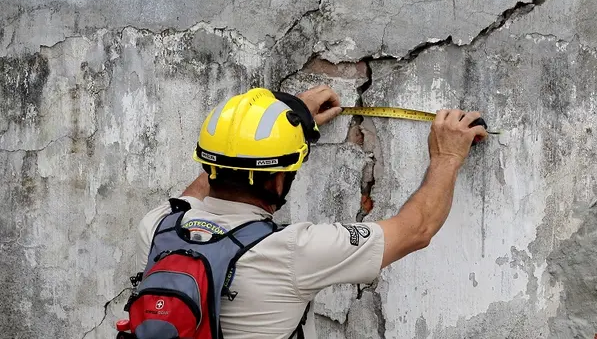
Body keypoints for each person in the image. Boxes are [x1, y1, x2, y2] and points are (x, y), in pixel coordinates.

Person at [135, 85, 487, 338]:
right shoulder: (293, 251)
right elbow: (417, 229)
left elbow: (201, 187)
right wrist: (447, 157)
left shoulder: (160, 227)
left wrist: (280, 121)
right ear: (277, 182)